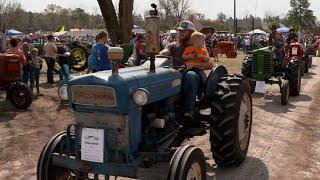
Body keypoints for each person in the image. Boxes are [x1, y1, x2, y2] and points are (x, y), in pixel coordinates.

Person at [159, 20, 213, 120]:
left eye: (184, 31)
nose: (181, 33)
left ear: (191, 33)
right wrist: (161, 53)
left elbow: (209, 65)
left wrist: (193, 64)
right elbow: (166, 51)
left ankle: (189, 111)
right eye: (180, 31)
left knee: (190, 76)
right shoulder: (173, 45)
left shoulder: (199, 47)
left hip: (196, 76)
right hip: (177, 74)